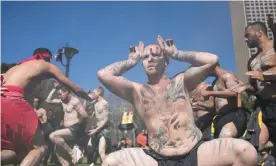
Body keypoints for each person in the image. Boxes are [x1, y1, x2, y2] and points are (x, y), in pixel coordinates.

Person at [98, 35, 257, 166]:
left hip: (195, 152)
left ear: (165, 60)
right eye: (145, 57)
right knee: (111, 162)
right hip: (156, 158)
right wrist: (132, 61)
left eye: (155, 54)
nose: (150, 59)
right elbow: (103, 75)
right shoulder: (136, 91)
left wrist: (176, 53)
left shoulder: (181, 81)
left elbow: (212, 59)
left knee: (246, 151)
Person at [1, 48, 91, 166]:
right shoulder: (44, 64)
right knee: (39, 148)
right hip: (15, 101)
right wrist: (89, 97)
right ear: (47, 58)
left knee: (15, 152)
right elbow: (75, 87)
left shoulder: (14, 68)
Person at [245, 21, 276, 148]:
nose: (245, 39)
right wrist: (244, 87)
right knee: (256, 146)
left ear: (259, 33)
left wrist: (263, 76)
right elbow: (255, 87)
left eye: (247, 35)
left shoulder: (274, 47)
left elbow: (262, 77)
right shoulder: (252, 61)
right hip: (264, 108)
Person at [46, 80, 88, 165]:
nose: (59, 96)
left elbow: (85, 115)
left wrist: (79, 121)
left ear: (67, 92)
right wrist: (54, 88)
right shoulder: (62, 102)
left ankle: (72, 152)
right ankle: (70, 160)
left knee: (53, 136)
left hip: (75, 129)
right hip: (67, 129)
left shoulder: (75, 101)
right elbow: (48, 100)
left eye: (60, 94)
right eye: (58, 95)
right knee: (58, 152)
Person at [200, 65, 248, 138]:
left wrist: (209, 93)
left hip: (232, 114)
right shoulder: (214, 83)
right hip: (220, 117)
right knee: (219, 143)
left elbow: (235, 92)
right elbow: (212, 105)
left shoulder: (227, 75)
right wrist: (197, 103)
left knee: (225, 139)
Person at [87, 87, 113, 162]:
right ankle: (92, 163)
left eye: (94, 93)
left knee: (101, 151)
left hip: (104, 129)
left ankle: (108, 163)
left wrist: (95, 130)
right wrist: (87, 97)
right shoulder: (95, 103)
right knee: (89, 148)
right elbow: (86, 109)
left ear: (99, 93)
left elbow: (105, 120)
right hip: (96, 128)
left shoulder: (105, 103)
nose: (92, 94)